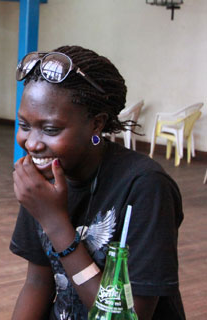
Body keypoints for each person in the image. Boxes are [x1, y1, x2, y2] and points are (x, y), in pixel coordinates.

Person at [10, 45, 185, 320]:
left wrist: (55, 223)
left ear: (96, 124)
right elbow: (37, 283)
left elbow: (126, 316)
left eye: (51, 129)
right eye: (24, 125)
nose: (31, 143)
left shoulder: (146, 187)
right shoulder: (40, 181)